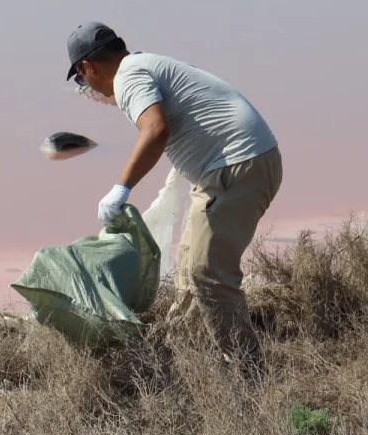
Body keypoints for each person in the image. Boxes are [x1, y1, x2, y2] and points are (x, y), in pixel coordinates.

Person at [65, 21, 282, 364]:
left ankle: (247, 370)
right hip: (241, 162)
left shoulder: (128, 77)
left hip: (234, 166)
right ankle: (185, 353)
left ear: (87, 67)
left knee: (206, 274)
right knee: (187, 268)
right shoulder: (143, 63)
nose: (85, 86)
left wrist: (120, 189)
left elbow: (155, 129)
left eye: (80, 79)